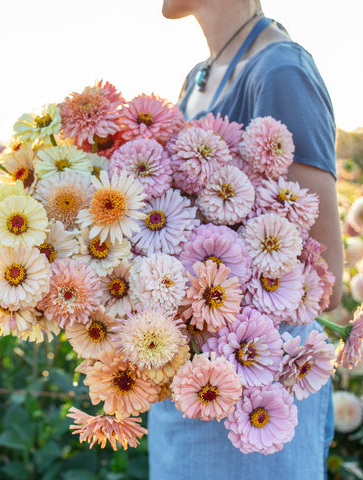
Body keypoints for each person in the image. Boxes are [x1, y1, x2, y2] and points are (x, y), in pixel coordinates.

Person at [148, 1, 344, 479]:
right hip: (192, 387)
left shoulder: (281, 72)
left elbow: (325, 279)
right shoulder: (197, 76)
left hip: (257, 388)